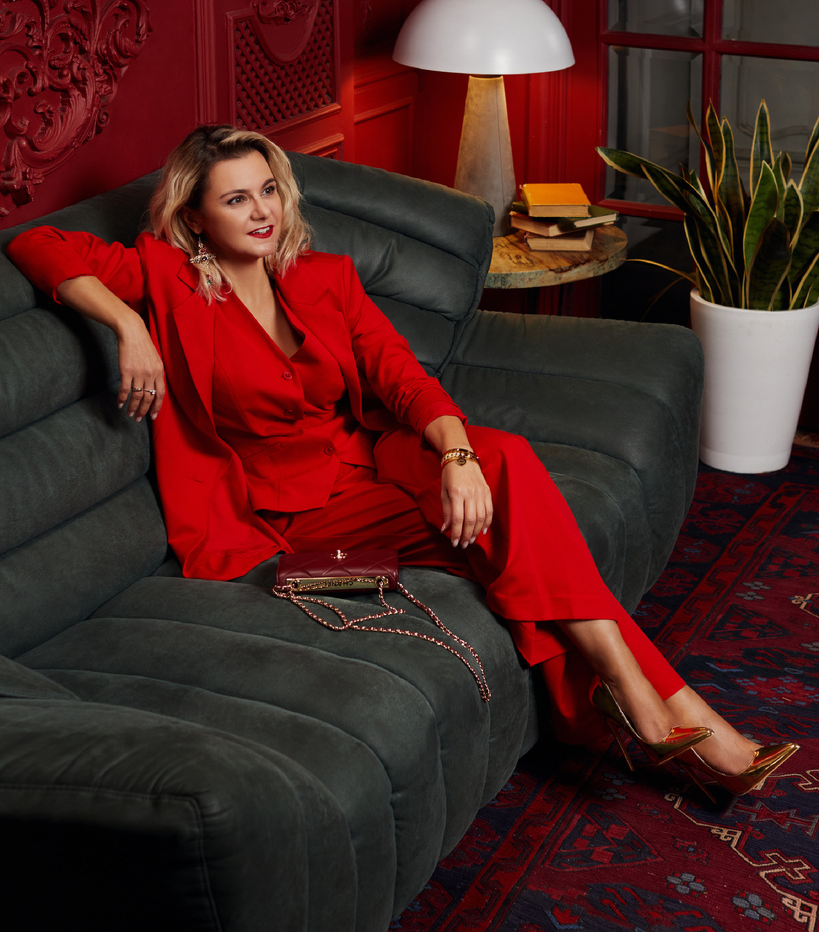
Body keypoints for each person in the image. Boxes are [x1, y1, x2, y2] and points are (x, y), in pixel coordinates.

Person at [7, 124, 798, 799]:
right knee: (516, 548)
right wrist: (129, 326)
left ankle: (637, 703)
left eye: (268, 191)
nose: (262, 212)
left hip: (367, 466)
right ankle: (671, 714)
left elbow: (401, 378)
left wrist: (454, 452)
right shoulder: (166, 279)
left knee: (503, 470)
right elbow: (36, 242)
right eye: (236, 199)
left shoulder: (322, 278)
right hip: (287, 515)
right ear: (194, 216)